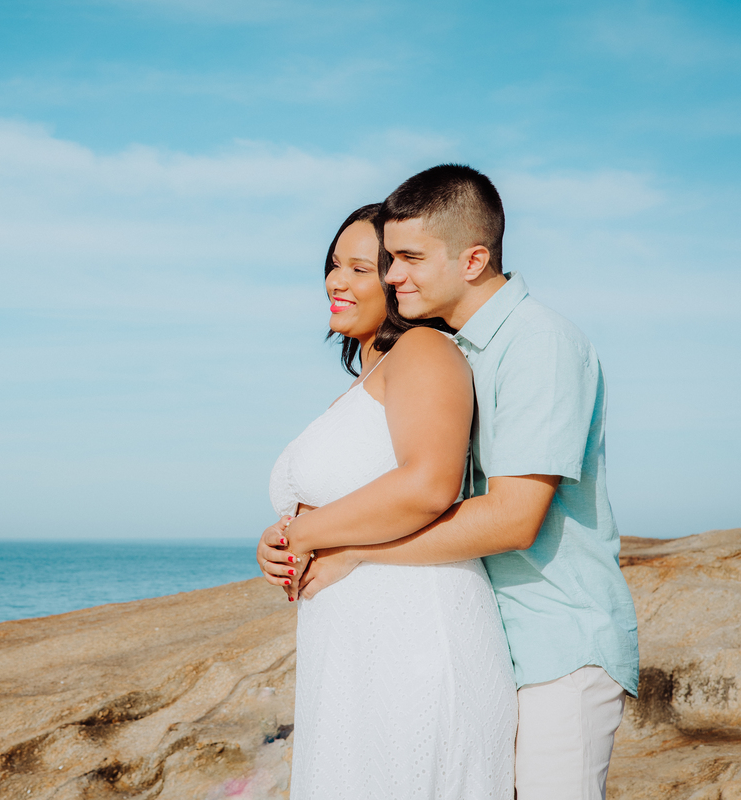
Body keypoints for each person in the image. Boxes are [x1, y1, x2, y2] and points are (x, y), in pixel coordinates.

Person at [262, 165, 639, 800]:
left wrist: (344, 546)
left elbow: (511, 518)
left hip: (555, 641)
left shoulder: (536, 343)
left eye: (404, 258)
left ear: (473, 259)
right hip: (499, 631)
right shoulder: (467, 350)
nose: (391, 275)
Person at [260, 202, 517, 799]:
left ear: (398, 279)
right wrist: (278, 540)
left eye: (357, 267)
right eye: (331, 266)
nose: (334, 281)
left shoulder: (425, 351)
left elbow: (430, 483)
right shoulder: (367, 381)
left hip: (414, 637)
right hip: (355, 645)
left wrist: (304, 534)